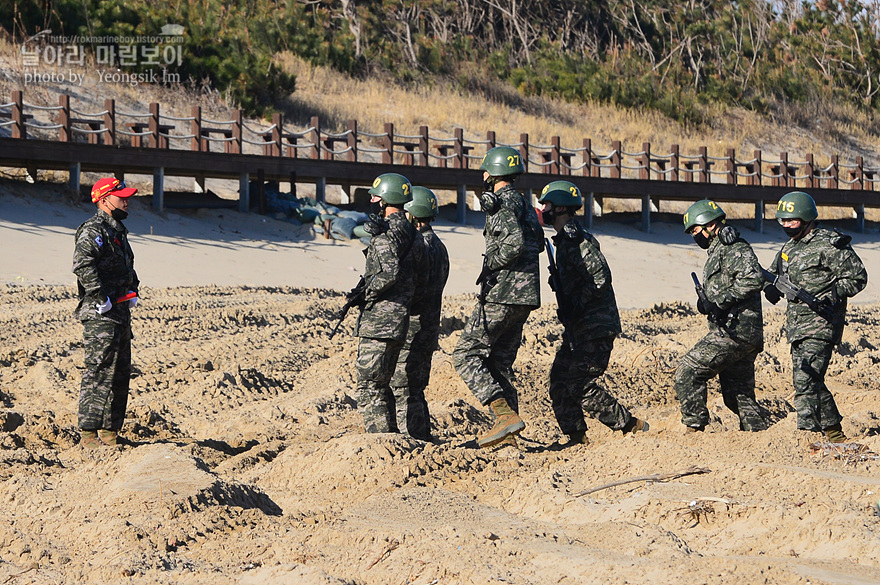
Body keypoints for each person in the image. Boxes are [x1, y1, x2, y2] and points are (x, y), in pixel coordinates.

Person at [538, 181, 648, 445]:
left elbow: (600, 277)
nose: (543, 209)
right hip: (579, 327)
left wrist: (578, 302)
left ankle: (631, 426)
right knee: (559, 381)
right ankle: (577, 437)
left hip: (595, 325)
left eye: (547, 204)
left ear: (561, 206)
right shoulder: (563, 241)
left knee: (579, 383)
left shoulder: (576, 239)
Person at [452, 146, 542, 449]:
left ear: (494, 171)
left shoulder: (501, 202)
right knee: (498, 362)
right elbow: (537, 244)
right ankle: (510, 432)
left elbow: (514, 244)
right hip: (525, 294)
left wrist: (491, 263)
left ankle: (503, 415)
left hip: (503, 292)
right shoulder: (524, 203)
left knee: (465, 354)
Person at [764, 191, 867, 443]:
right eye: (783, 221)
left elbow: (858, 277)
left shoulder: (830, 244)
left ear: (807, 218)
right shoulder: (789, 247)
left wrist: (832, 293)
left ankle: (818, 434)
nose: (786, 225)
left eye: (792, 221)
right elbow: (772, 272)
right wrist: (771, 288)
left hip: (822, 324)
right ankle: (825, 433)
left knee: (806, 378)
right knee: (806, 378)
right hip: (797, 326)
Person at [675, 199, 768, 433]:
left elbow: (755, 279)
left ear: (711, 225)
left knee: (688, 371)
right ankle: (758, 437)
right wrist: (706, 301)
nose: (695, 236)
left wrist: (721, 300)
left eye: (696, 230)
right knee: (738, 396)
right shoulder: (718, 251)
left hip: (736, 332)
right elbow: (725, 285)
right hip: (738, 332)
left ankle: (694, 430)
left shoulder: (735, 248)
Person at [72, 177, 140, 448]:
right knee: (99, 370)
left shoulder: (118, 231)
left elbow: (127, 267)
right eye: (121, 196)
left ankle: (110, 433)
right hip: (101, 313)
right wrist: (100, 298)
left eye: (126, 196)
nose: (126, 201)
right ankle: (89, 434)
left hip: (120, 311)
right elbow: (83, 266)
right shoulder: (93, 230)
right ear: (103, 200)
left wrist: (133, 291)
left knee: (121, 371)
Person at [354, 173, 418, 433]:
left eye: (376, 196)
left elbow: (387, 273)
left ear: (387, 199)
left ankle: (380, 439)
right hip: (399, 319)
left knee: (369, 386)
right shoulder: (410, 230)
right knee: (382, 384)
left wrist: (366, 294)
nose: (372, 199)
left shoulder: (386, 234)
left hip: (380, 321)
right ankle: (391, 436)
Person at [390, 186, 450, 441]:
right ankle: (422, 434)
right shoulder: (439, 246)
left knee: (403, 387)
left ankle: (410, 437)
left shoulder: (417, 246)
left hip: (413, 326)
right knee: (416, 387)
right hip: (429, 326)